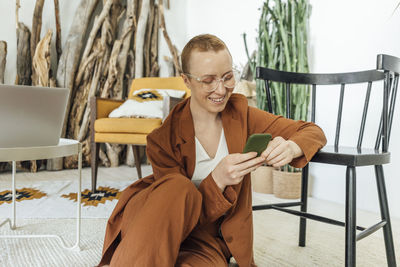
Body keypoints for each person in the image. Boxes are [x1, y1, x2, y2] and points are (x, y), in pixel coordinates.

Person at [98, 34, 326, 267]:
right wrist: (217, 180)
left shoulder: (242, 115)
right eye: (208, 80)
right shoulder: (162, 139)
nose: (221, 89)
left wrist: (291, 146)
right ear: (186, 80)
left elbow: (311, 131)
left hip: (203, 241)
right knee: (178, 187)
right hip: (154, 224)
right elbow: (174, 211)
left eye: (227, 77)